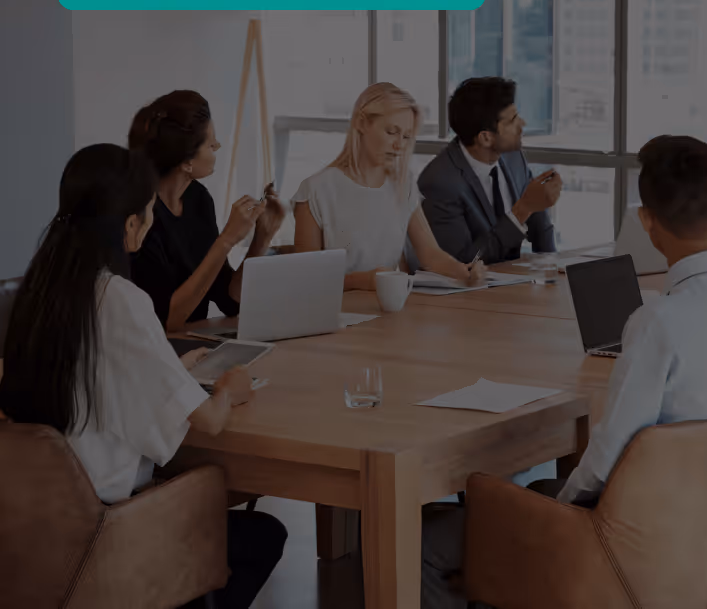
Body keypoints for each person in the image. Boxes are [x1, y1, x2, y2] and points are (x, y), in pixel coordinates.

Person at [421, 135, 707, 609]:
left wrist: (559, 511)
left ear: (647, 222)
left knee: (424, 544)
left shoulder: (658, 323)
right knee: (534, 497)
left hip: (625, 547)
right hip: (704, 537)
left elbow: (608, 457)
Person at [0, 144, 286, 609]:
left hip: (32, 530)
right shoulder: (119, 297)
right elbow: (210, 421)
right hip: (108, 532)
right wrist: (231, 391)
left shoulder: (37, 289)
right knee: (263, 534)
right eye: (149, 213)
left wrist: (172, 369)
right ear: (130, 223)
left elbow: (96, 374)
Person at [293, 82, 486, 290]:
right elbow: (307, 278)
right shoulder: (315, 190)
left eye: (406, 137)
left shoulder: (403, 186)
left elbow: (430, 255)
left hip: (389, 311)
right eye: (391, 132)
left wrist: (465, 272)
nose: (399, 145)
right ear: (361, 123)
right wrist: (364, 281)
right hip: (337, 315)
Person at [128, 90, 286, 331]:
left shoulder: (198, 199)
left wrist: (261, 238)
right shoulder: (142, 216)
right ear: (185, 162)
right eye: (211, 144)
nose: (218, 146)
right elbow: (166, 321)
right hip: (161, 350)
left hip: (195, 342)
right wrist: (226, 241)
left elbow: (230, 300)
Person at [418, 77, 560, 264]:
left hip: (514, 283)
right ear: (485, 138)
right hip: (470, 290)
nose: (522, 124)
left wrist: (553, 268)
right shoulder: (439, 182)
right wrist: (522, 209)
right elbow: (463, 262)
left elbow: (539, 221)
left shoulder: (512, 156)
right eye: (512, 121)